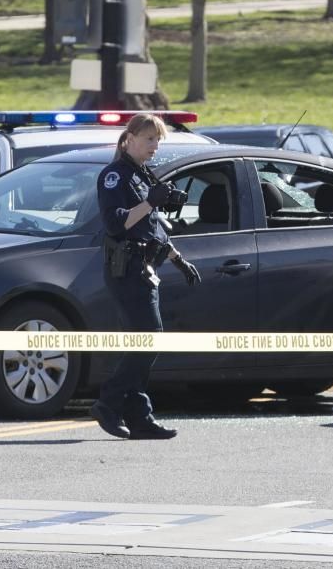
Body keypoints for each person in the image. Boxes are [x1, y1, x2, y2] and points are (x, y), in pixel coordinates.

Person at [92, 114, 202, 440]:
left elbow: (152, 228)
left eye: (158, 140)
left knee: (144, 341)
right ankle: (109, 403)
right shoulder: (114, 176)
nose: (155, 146)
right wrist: (150, 201)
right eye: (149, 139)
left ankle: (140, 417)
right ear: (129, 139)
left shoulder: (143, 175)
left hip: (145, 268)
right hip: (125, 269)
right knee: (150, 338)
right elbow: (116, 223)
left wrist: (177, 258)